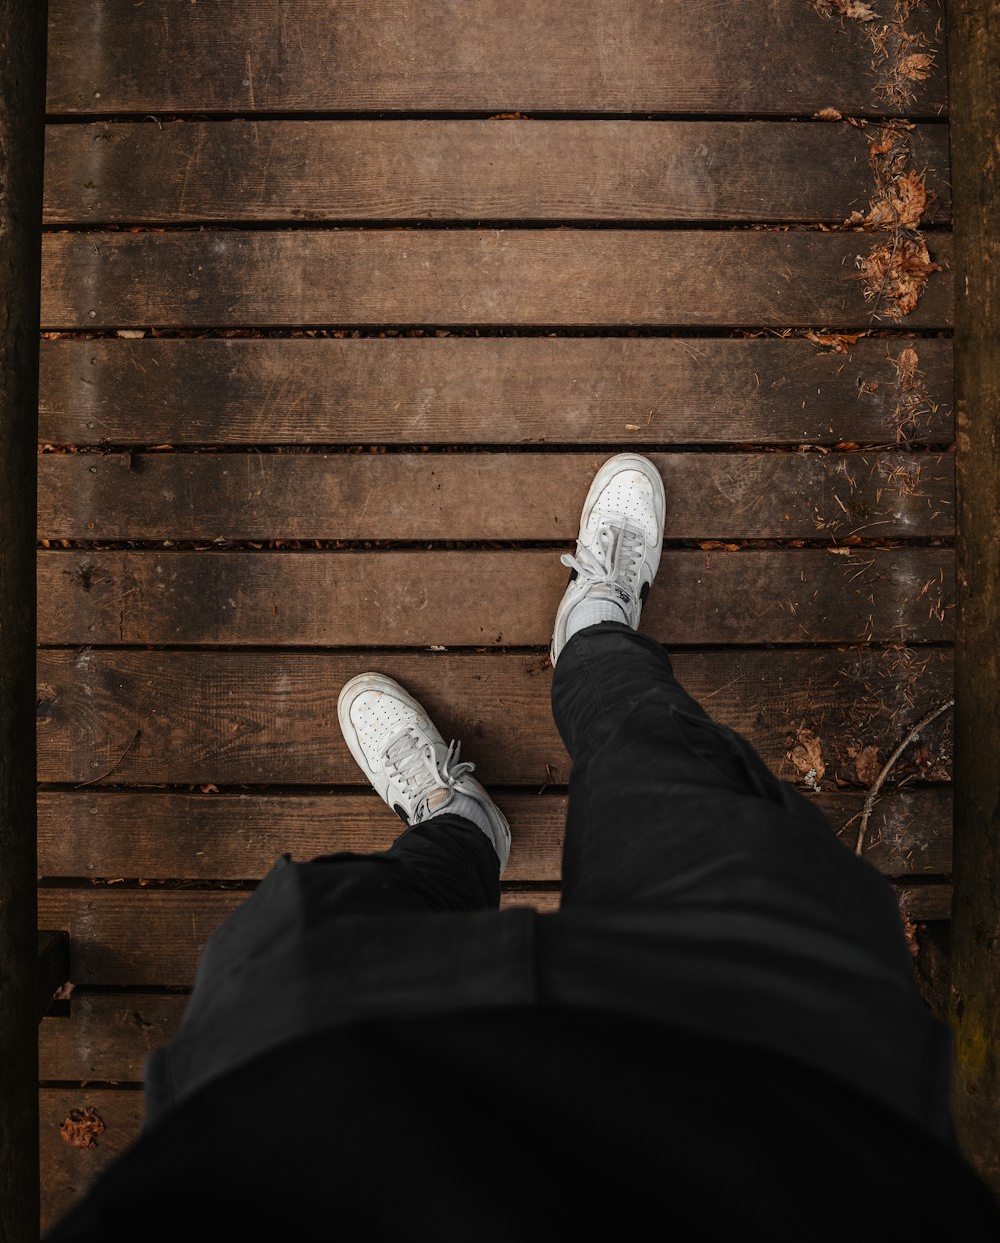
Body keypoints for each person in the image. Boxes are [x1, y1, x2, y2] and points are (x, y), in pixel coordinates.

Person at [47, 456, 998, 1239]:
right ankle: (593, 634)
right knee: (674, 779)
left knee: (322, 936)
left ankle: (461, 825)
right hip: (779, 1112)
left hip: (308, 1128)